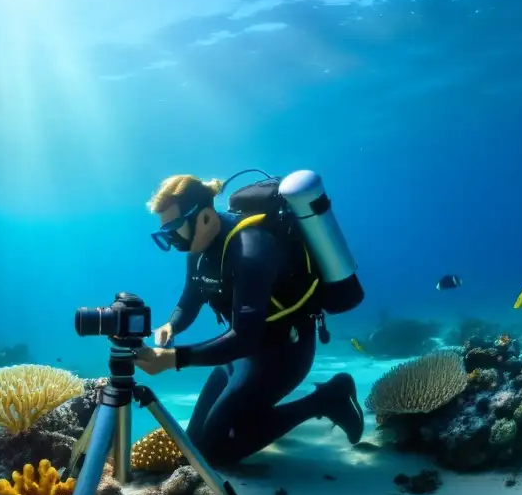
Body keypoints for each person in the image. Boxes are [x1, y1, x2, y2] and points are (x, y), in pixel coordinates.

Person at [134, 173, 365, 466]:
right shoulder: (198, 248)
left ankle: (330, 397)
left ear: (204, 217)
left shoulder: (252, 249)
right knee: (195, 446)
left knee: (216, 451)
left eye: (174, 229)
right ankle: (254, 418)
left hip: (283, 353)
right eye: (165, 234)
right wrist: (172, 324)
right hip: (239, 354)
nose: (172, 241)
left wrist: (171, 359)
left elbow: (245, 337)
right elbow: (191, 296)